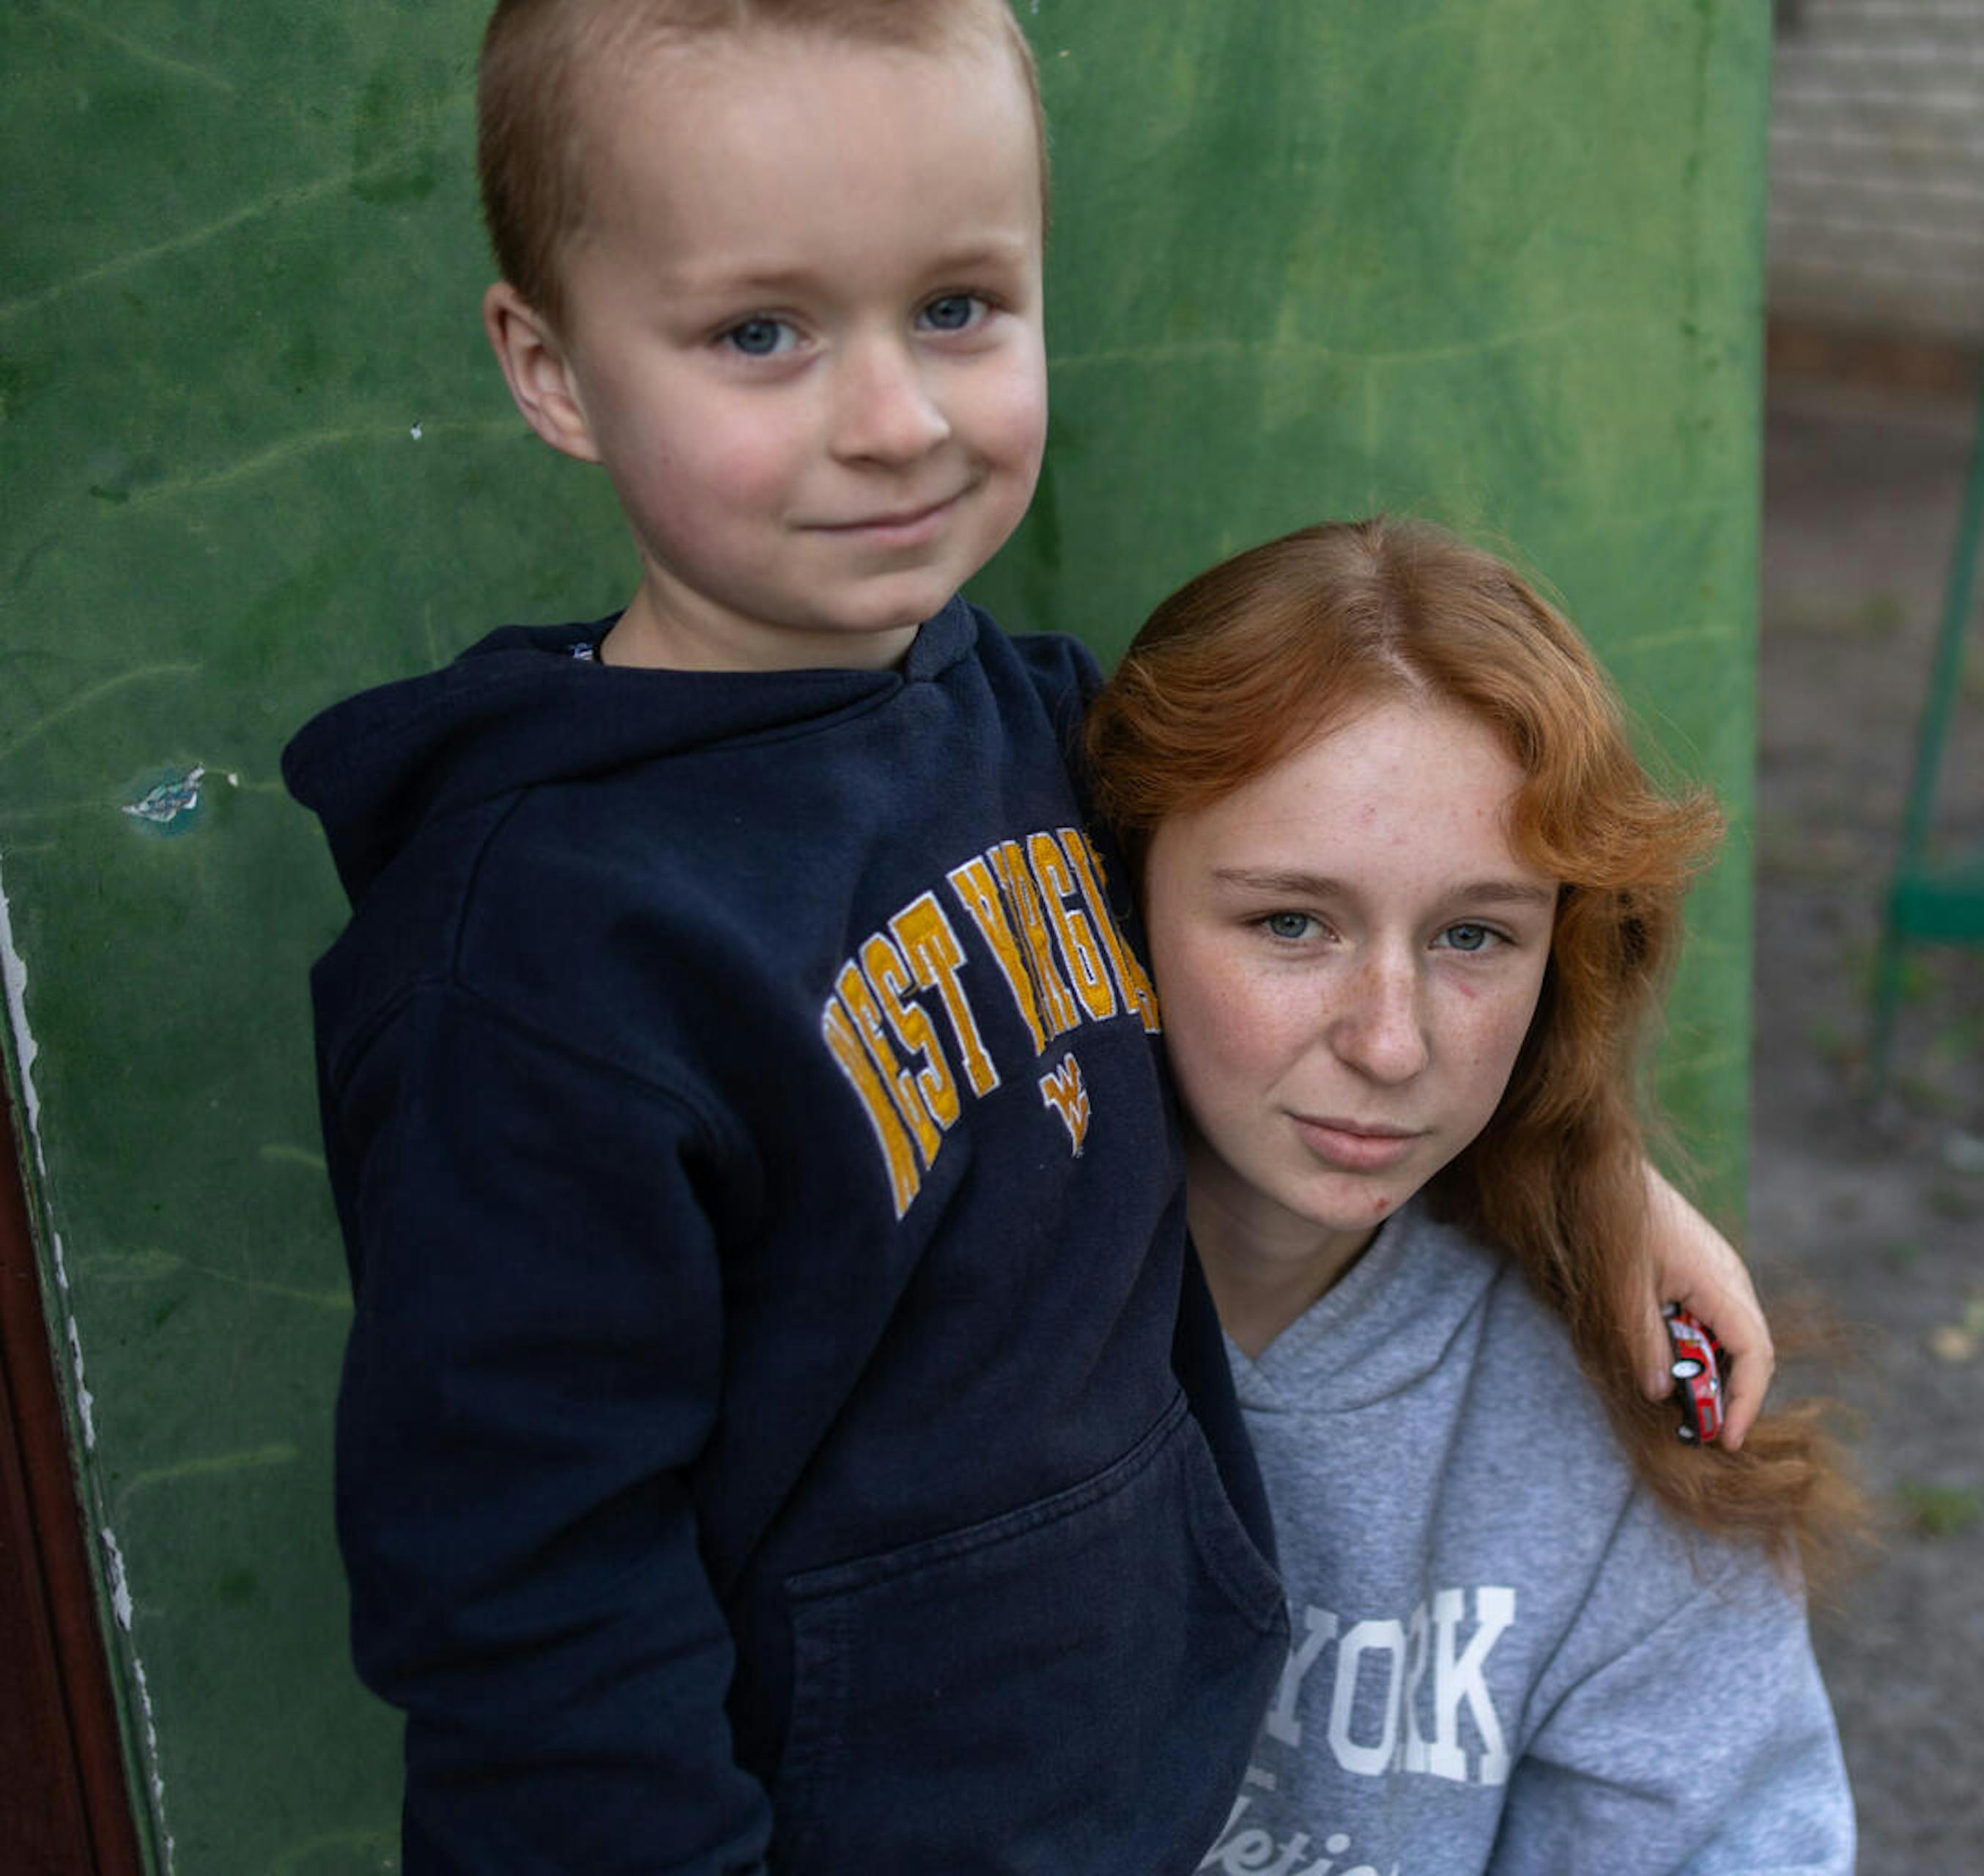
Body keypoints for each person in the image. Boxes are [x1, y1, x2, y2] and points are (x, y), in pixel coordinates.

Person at [281, 5, 1769, 1870]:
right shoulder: (540, 966)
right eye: (763, 332)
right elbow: (525, 1611)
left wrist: (1603, 1175)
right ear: (552, 365)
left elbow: (1364, 949)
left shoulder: (1005, 715)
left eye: (961, 308)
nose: (896, 418)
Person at [1084, 517, 1861, 1873]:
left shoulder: (1613, 1434)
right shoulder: (952, 1311)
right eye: (1291, 923)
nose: (1390, 1044)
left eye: (1472, 936)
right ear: (1117, 892)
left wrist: (1587, 1166)